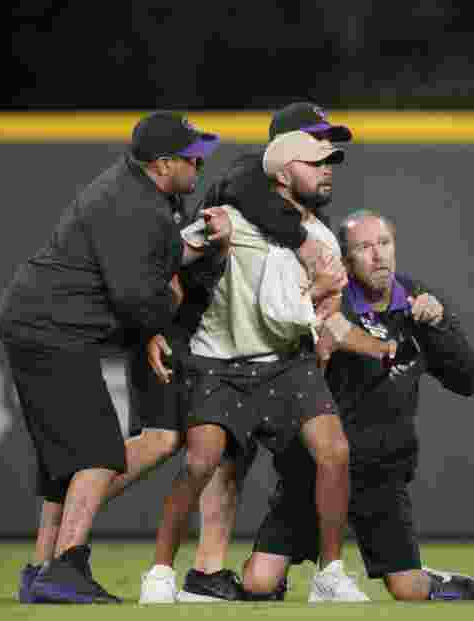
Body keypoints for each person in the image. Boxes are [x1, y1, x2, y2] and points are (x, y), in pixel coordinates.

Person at [142, 130, 394, 605]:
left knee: (334, 451)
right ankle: (158, 574)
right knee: (199, 463)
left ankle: (330, 574)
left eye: (330, 163)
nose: (327, 170)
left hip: (286, 364)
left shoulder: (320, 237)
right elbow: (167, 263)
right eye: (315, 162)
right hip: (221, 362)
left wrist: (335, 322)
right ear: (282, 174)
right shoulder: (227, 221)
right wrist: (159, 318)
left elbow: (314, 316)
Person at [0, 111, 227, 604]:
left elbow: (151, 267)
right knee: (97, 452)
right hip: (53, 330)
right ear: (163, 164)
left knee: (67, 464)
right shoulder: (130, 204)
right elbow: (136, 296)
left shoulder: (143, 195)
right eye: (192, 157)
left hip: (48, 327)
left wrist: (198, 247)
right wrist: (164, 311)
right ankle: (66, 570)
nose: (199, 165)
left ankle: (42, 570)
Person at [241, 210, 474, 602]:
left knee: (408, 590)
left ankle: (433, 579)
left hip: (380, 473)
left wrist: (437, 327)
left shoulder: (418, 303)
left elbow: (470, 380)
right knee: (257, 583)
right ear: (346, 258)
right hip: (315, 471)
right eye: (364, 247)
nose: (378, 256)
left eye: (385, 244)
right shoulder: (330, 304)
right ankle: (284, 574)